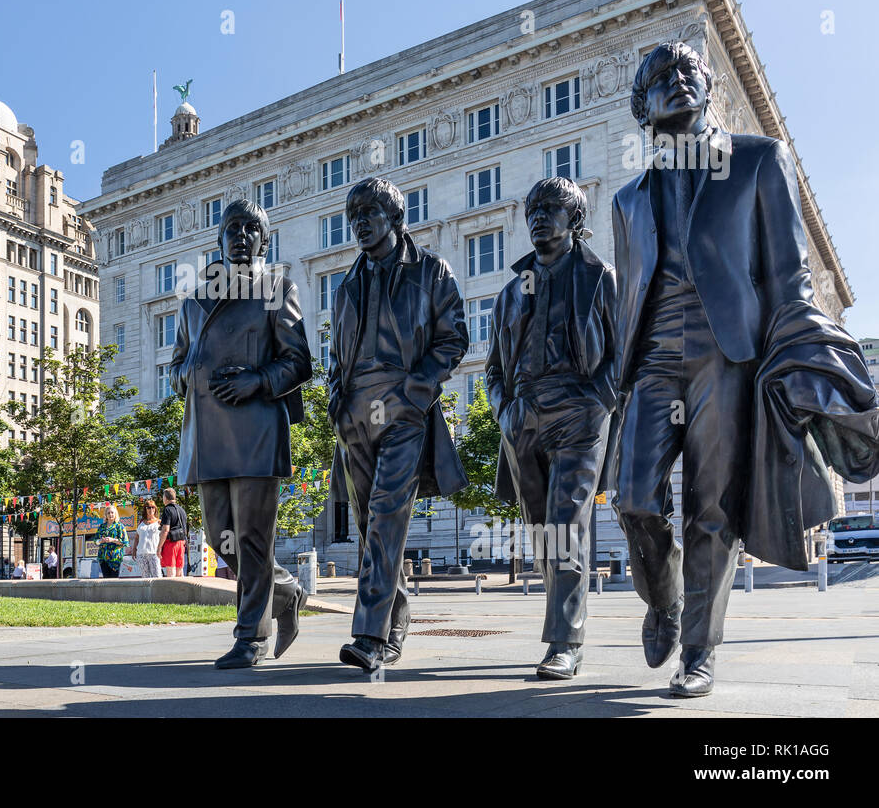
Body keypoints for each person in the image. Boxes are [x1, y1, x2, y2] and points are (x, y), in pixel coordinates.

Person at [609, 41, 879, 697]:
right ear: (642, 108)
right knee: (633, 500)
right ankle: (665, 600)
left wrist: (808, 356)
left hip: (725, 351)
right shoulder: (627, 200)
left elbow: (790, 272)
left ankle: (698, 649)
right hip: (651, 360)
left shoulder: (758, 160)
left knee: (713, 506)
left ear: (707, 89)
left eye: (687, 72)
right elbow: (627, 294)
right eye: (658, 79)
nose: (675, 82)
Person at [328, 177, 469, 673]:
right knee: (371, 524)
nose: (360, 223)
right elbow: (334, 357)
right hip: (355, 414)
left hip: (404, 407)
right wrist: (335, 403)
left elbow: (454, 339)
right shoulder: (346, 287)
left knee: (388, 514)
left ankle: (367, 634)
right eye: (354, 216)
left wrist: (416, 390)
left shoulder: (431, 271)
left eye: (369, 213)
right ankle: (395, 620)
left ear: (395, 218)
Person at [169, 197, 312, 669]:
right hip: (207, 436)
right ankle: (286, 591)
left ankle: (251, 638)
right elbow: (176, 366)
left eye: (252, 228)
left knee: (251, 538)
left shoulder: (277, 288)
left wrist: (258, 380)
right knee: (220, 538)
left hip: (256, 432)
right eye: (233, 227)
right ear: (219, 238)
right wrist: (185, 373)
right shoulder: (193, 301)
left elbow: (298, 360)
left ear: (264, 240)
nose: (241, 235)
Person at [485, 177, 617, 680]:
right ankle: (563, 619)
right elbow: (494, 369)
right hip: (523, 420)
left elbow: (620, 355)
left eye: (552, 208)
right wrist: (505, 412)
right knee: (543, 532)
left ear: (575, 220)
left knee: (566, 524)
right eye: (533, 209)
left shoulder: (599, 277)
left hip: (578, 417)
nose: (539, 216)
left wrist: (595, 403)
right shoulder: (510, 293)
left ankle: (564, 640)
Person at [157, 489, 188, 578]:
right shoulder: (181, 509)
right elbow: (185, 529)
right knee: (180, 571)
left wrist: (159, 547)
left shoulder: (167, 509)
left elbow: (165, 530)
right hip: (181, 542)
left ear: (165, 498)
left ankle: (171, 591)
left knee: (171, 571)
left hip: (171, 543)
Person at [130, 499, 163, 579]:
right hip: (141, 554)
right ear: (145, 509)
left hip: (154, 553)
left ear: (155, 509)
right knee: (145, 578)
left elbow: (163, 537)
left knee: (157, 577)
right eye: (148, 507)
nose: (151, 509)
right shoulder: (141, 522)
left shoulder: (159, 522)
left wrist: (161, 549)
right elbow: (137, 537)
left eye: (153, 507)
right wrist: (134, 549)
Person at [95, 505, 128, 578]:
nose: (110, 514)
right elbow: (95, 541)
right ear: (106, 515)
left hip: (115, 558)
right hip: (103, 558)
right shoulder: (102, 527)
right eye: (108, 513)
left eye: (112, 512)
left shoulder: (119, 526)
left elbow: (124, 542)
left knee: (114, 581)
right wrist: (100, 541)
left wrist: (112, 540)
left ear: (115, 514)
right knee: (106, 580)